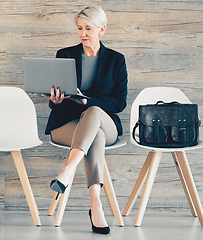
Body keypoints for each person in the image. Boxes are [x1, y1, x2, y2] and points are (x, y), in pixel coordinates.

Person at [41, 6, 127, 234]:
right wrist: (56, 101)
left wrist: (88, 102)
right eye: (80, 28)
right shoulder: (65, 55)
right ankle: (95, 204)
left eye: (88, 28)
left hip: (105, 122)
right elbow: (55, 101)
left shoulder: (116, 60)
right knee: (94, 135)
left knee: (94, 111)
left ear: (102, 30)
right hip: (67, 124)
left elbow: (119, 104)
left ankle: (68, 169)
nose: (83, 33)